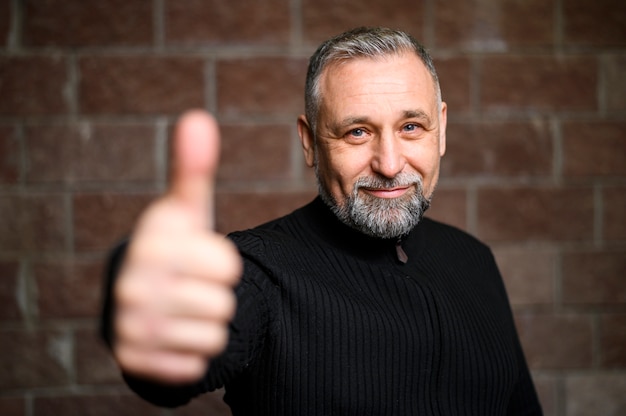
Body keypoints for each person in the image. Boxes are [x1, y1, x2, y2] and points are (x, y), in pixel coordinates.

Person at [101, 27, 543, 415]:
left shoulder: (474, 259)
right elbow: (181, 360)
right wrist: (150, 303)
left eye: (411, 127)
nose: (389, 164)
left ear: (441, 129)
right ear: (310, 142)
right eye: (357, 132)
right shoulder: (255, 271)